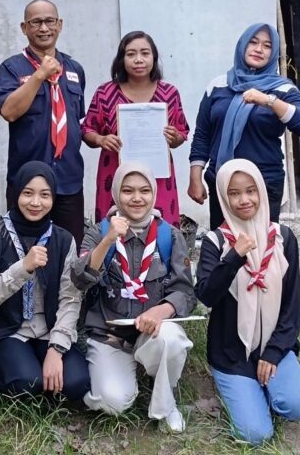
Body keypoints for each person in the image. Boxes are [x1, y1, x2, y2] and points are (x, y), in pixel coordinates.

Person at [196, 159, 300, 445]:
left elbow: (291, 307)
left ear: (261, 191)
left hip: (274, 347)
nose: (244, 200)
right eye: (234, 193)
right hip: (231, 353)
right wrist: (234, 256)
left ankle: (266, 386)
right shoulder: (215, 242)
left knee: (298, 407)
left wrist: (273, 352)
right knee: (255, 435)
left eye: (250, 190)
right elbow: (206, 295)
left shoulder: (283, 239)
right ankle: (240, 387)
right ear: (224, 197)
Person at [73, 162, 195, 432]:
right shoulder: (99, 231)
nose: (137, 198)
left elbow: (185, 291)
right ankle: (120, 375)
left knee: (173, 340)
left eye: (144, 190)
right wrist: (107, 241)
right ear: (116, 193)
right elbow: (79, 279)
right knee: (113, 402)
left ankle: (165, 404)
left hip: (151, 331)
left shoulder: (169, 235)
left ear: (154, 193)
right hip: (109, 334)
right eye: (128, 191)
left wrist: (161, 311)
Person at [0, 161, 90, 403]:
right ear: (16, 193)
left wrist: (56, 349)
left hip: (48, 330)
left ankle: (42, 369)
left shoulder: (63, 240)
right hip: (8, 331)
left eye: (45, 195)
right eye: (28, 193)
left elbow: (69, 298)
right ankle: (10, 371)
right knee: (25, 382)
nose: (36, 203)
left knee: (78, 383)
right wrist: (22, 268)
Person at [188, 23, 300, 227]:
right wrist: (195, 177)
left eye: (267, 46)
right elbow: (203, 134)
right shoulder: (218, 85)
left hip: (263, 182)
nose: (259, 49)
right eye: (253, 42)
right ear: (242, 45)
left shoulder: (281, 87)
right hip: (222, 179)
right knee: (225, 247)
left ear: (273, 52)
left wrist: (269, 101)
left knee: (262, 249)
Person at [0, 0, 87, 241]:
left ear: (60, 24)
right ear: (24, 28)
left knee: (69, 250)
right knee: (23, 252)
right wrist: (40, 75)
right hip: (27, 183)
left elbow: (77, 122)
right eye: (36, 22)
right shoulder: (11, 68)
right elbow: (9, 111)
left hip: (69, 179)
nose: (44, 28)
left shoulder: (75, 69)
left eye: (50, 21)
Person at [81, 32, 189, 225]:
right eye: (131, 54)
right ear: (121, 59)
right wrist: (101, 140)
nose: (138, 60)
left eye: (145, 53)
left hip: (158, 174)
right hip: (114, 171)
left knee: (161, 229)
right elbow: (87, 129)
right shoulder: (105, 92)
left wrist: (174, 138)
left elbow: (182, 132)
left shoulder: (169, 93)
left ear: (154, 58)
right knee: (114, 227)